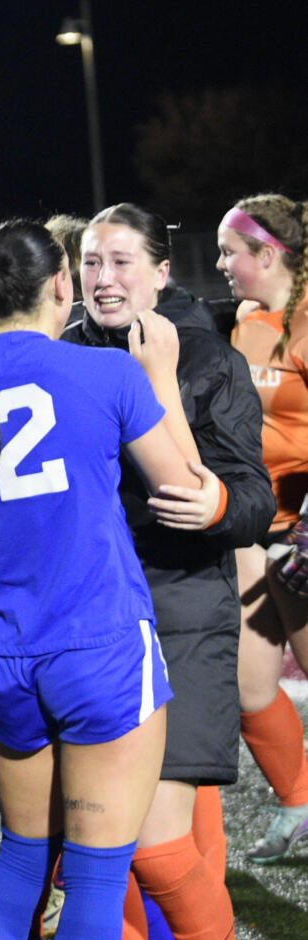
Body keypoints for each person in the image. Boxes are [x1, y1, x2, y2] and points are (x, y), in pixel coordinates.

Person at [0, 219, 199, 940]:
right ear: (61, 285)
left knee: (19, 859)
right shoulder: (104, 373)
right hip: (99, 639)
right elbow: (183, 492)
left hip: (7, 652)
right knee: (99, 883)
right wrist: (162, 379)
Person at [66, 202, 268, 940]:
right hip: (83, 618)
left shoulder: (210, 359)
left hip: (179, 606)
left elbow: (252, 501)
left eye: (121, 262)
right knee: (92, 854)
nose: (105, 279)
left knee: (151, 842)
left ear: (159, 270)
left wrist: (216, 501)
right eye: (90, 262)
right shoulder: (62, 354)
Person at [216, 194, 308, 863]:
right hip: (257, 526)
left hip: (301, 531)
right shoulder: (247, 322)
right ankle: (301, 803)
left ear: (267, 254)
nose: (219, 264)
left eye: (229, 252)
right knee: (249, 686)